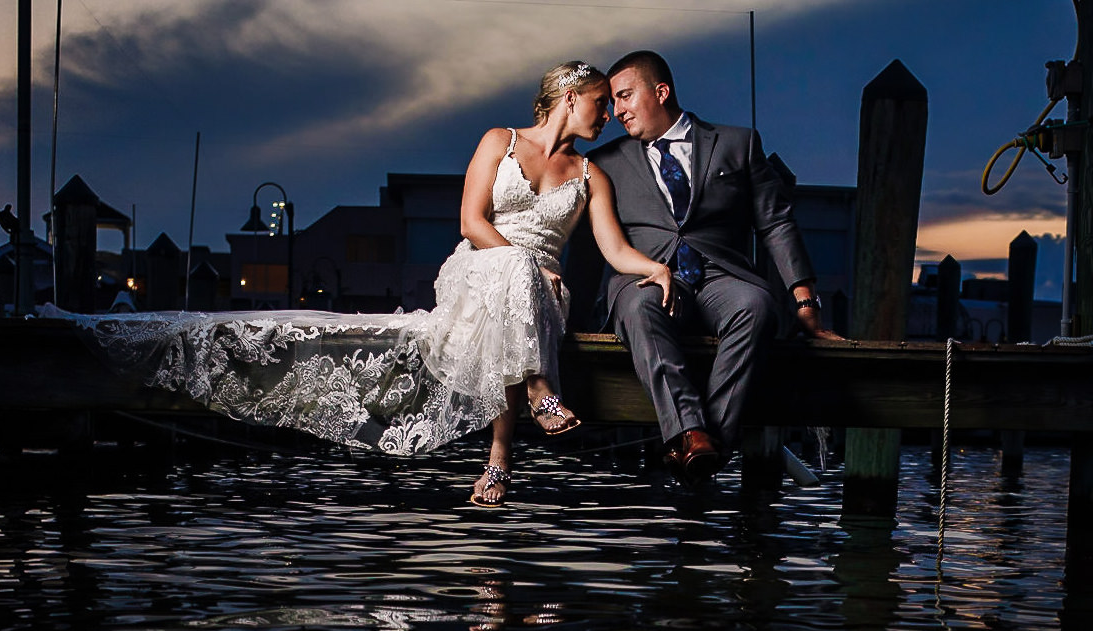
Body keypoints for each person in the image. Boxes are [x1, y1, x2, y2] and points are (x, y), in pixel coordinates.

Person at [51, 61, 675, 508]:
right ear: (571, 95)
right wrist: (522, 262)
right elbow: (471, 222)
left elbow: (614, 247)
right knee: (511, 275)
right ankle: (532, 409)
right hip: (480, 266)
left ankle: (499, 463)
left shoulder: (592, 174)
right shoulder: (499, 141)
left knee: (522, 295)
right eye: (602, 101)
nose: (610, 113)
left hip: (543, 291)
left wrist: (652, 267)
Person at [589, 50, 843, 474]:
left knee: (757, 307)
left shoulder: (738, 143)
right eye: (613, 102)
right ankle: (691, 433)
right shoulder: (605, 163)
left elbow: (777, 223)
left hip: (723, 278)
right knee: (638, 305)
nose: (617, 111)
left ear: (661, 91)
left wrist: (805, 304)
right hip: (647, 278)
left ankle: (708, 446)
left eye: (625, 97)